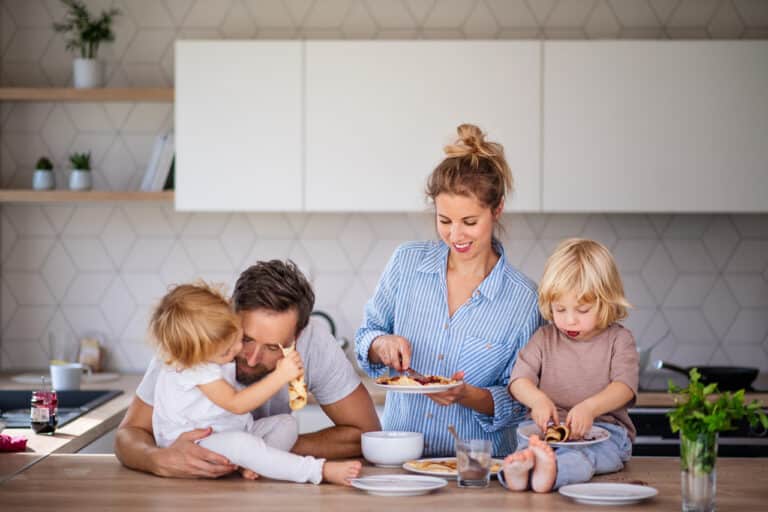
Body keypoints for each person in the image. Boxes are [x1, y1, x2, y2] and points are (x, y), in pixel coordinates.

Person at [355, 123, 542, 457]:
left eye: (469, 222)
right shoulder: (407, 262)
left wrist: (466, 395)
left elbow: (520, 402)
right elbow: (366, 336)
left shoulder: (524, 299)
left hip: (477, 471)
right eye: (444, 220)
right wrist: (380, 344)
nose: (456, 235)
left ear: (496, 210)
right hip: (402, 461)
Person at [115, 260, 381, 479]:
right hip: (190, 490)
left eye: (273, 347)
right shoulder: (196, 339)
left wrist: (262, 454)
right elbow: (128, 435)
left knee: (285, 425)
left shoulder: (316, 343)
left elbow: (367, 436)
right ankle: (313, 471)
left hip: (252, 474)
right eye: (246, 339)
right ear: (230, 314)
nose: (252, 359)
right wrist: (157, 459)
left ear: (299, 335)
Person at [502, 238, 638, 493]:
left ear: (607, 302)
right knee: (525, 450)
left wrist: (590, 407)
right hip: (548, 433)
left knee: (582, 460)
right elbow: (519, 381)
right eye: (560, 309)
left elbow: (625, 387)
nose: (570, 320)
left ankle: (551, 474)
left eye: (583, 310)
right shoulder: (544, 338)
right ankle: (519, 472)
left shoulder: (619, 340)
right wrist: (538, 401)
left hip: (605, 434)